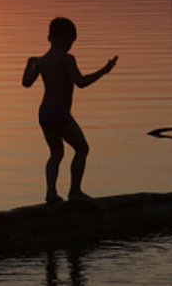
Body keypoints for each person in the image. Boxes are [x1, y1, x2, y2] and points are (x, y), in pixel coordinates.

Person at [22, 17, 118, 204]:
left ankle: (51, 194)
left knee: (56, 153)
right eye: (70, 41)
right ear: (62, 38)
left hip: (45, 113)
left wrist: (29, 63)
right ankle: (75, 191)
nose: (71, 46)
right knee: (82, 148)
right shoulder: (67, 59)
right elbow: (80, 82)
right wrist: (104, 71)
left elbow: (26, 83)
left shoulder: (41, 61)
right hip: (60, 113)